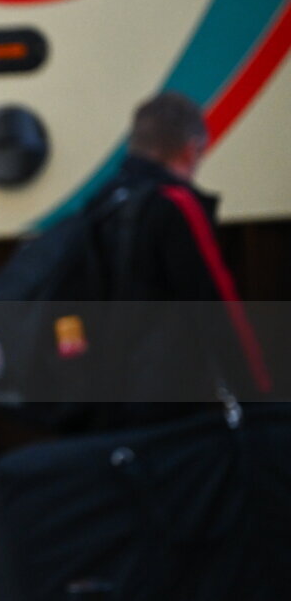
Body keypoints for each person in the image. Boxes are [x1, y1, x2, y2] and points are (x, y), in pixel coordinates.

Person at [88, 90, 271, 426]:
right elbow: (219, 308)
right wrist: (256, 398)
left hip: (107, 394)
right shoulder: (175, 204)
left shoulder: (105, 202)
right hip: (168, 396)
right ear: (191, 150)